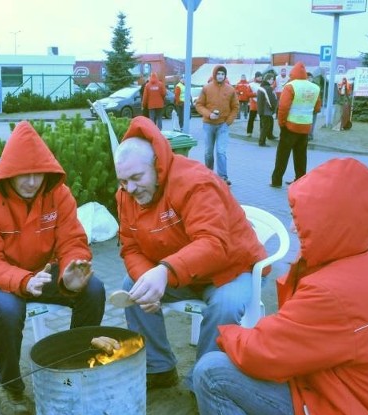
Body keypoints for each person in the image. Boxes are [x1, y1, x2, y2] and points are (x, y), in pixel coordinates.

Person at [193, 157, 368, 415]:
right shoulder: (365, 265)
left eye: (299, 218)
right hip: (362, 410)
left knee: (212, 374)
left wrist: (227, 330)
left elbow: (260, 354)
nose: (292, 226)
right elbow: (293, 342)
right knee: (248, 376)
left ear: (330, 221)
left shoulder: (333, 291)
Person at [112, 116, 267, 392]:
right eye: (123, 181)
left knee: (226, 306)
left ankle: (204, 384)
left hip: (232, 269)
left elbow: (213, 243)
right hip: (184, 273)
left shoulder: (195, 182)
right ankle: (159, 368)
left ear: (157, 165)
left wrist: (164, 272)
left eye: (136, 178)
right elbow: (130, 246)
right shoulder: (125, 195)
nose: (130, 189)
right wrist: (150, 280)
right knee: (132, 287)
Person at [0, 121, 106, 415]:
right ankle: (11, 387)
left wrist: (71, 271)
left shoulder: (59, 194)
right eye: (23, 174)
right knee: (6, 309)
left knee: (93, 289)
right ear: (8, 173)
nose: (31, 181)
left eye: (38, 173)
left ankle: (74, 367)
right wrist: (23, 281)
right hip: (2, 277)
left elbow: (72, 240)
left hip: (44, 271)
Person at [270, 62, 321, 188]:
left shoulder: (290, 86)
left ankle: (276, 181)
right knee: (301, 156)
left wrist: (282, 123)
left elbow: (283, 107)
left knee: (282, 155)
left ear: (292, 74)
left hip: (290, 126)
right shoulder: (315, 87)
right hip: (305, 127)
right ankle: (300, 181)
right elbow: (317, 107)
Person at [194, 65, 239, 185]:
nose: (220, 76)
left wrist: (228, 122)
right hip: (208, 125)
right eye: (218, 74)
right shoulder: (206, 88)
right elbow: (199, 105)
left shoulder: (230, 90)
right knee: (208, 152)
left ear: (225, 76)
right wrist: (209, 115)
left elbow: (235, 107)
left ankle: (223, 177)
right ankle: (209, 175)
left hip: (223, 126)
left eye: (222, 74)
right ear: (214, 75)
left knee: (221, 151)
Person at [257, 77, 277, 147]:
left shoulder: (261, 87)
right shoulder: (268, 88)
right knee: (265, 126)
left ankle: (270, 135)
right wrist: (273, 107)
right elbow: (270, 99)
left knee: (268, 123)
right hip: (267, 110)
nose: (273, 81)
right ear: (268, 80)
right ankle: (262, 142)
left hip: (261, 110)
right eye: (271, 79)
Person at [246, 71, 263, 137]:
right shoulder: (251, 85)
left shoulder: (263, 84)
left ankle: (262, 132)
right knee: (251, 119)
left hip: (262, 104)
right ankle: (249, 132)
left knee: (262, 119)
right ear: (256, 77)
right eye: (259, 76)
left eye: (261, 76)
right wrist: (256, 94)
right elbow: (247, 94)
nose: (260, 78)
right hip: (254, 104)